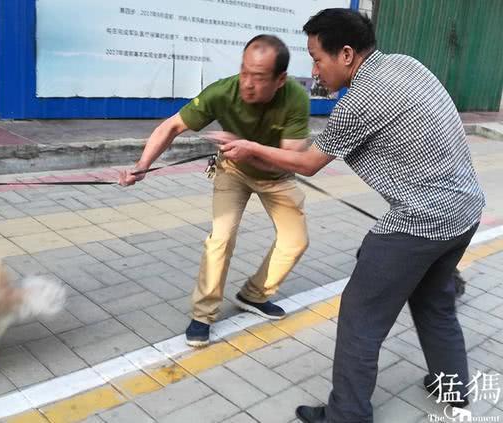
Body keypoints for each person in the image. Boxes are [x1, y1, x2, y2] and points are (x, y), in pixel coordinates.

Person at [211, 9, 485, 423]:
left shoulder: (360, 102)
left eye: (317, 58)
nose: (314, 69)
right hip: (465, 211)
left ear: (345, 54)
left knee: (360, 320)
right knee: (434, 302)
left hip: (419, 224)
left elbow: (305, 163)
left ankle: (347, 415)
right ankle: (454, 386)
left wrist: (249, 147)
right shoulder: (406, 64)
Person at [119, 34, 311, 347]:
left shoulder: (296, 99)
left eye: (259, 77)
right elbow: (171, 126)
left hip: (276, 175)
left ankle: (254, 294)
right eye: (244, 71)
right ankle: (203, 313)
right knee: (220, 239)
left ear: (280, 80)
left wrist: (251, 150)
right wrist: (142, 166)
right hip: (233, 171)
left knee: (296, 240)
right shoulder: (223, 91)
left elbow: (293, 158)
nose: (247, 83)